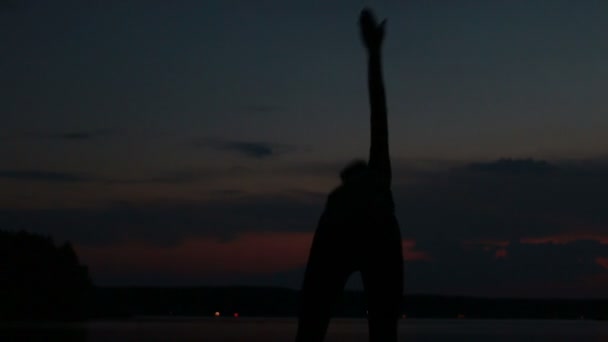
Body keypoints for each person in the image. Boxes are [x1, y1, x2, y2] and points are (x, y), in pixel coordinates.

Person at [295, 8, 404, 342]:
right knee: (375, 325)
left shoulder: (369, 185)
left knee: (320, 321)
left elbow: (379, 115)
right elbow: (379, 115)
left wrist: (374, 53)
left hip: (361, 234)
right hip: (351, 235)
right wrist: (373, 53)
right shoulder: (363, 191)